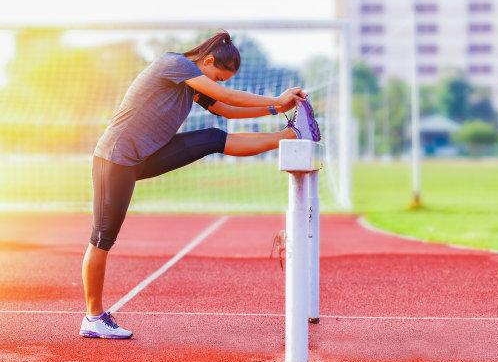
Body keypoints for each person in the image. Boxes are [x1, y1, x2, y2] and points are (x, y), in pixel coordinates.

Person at [80, 30, 320, 339]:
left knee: (211, 138)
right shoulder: (174, 65)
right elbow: (228, 97)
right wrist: (276, 99)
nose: (219, 85)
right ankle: (93, 317)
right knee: (102, 238)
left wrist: (277, 110)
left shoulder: (192, 83)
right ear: (206, 61)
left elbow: (228, 110)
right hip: (115, 159)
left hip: (145, 155)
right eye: (218, 77)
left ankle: (290, 136)